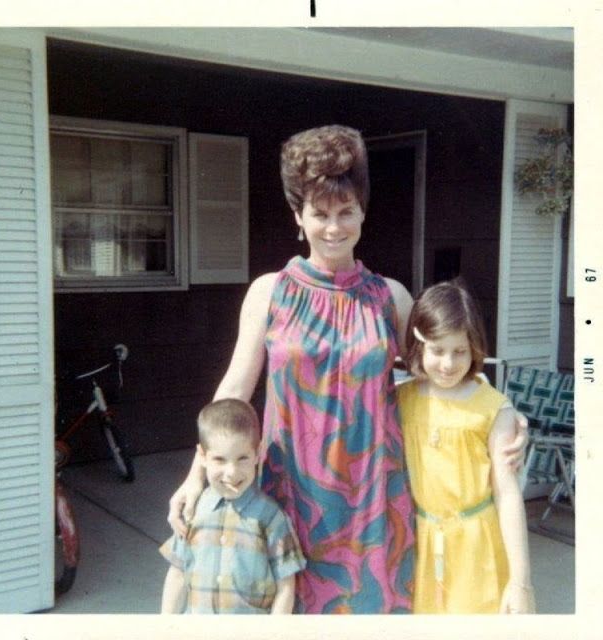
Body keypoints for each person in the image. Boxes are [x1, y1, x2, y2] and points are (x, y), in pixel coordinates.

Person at [168, 124, 527, 614]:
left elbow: (441, 369)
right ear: (298, 216)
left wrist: (502, 414)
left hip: (373, 504)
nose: (334, 227)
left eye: (346, 212)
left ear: (362, 212)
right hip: (291, 494)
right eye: (320, 214)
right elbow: (234, 389)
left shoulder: (390, 297)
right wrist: (196, 475)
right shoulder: (270, 292)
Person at [397, 281, 535, 614]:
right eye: (437, 350)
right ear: (419, 346)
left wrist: (521, 582)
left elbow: (507, 494)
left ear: (474, 348)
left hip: (477, 549)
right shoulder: (401, 400)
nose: (448, 363)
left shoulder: (494, 408)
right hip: (420, 545)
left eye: (459, 351)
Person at [160, 398, 305, 614]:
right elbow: (178, 573)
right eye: (220, 459)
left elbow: (285, 585)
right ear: (202, 456)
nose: (232, 472)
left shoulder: (271, 517)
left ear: (257, 454)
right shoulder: (194, 511)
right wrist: (166, 624)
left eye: (242, 458)